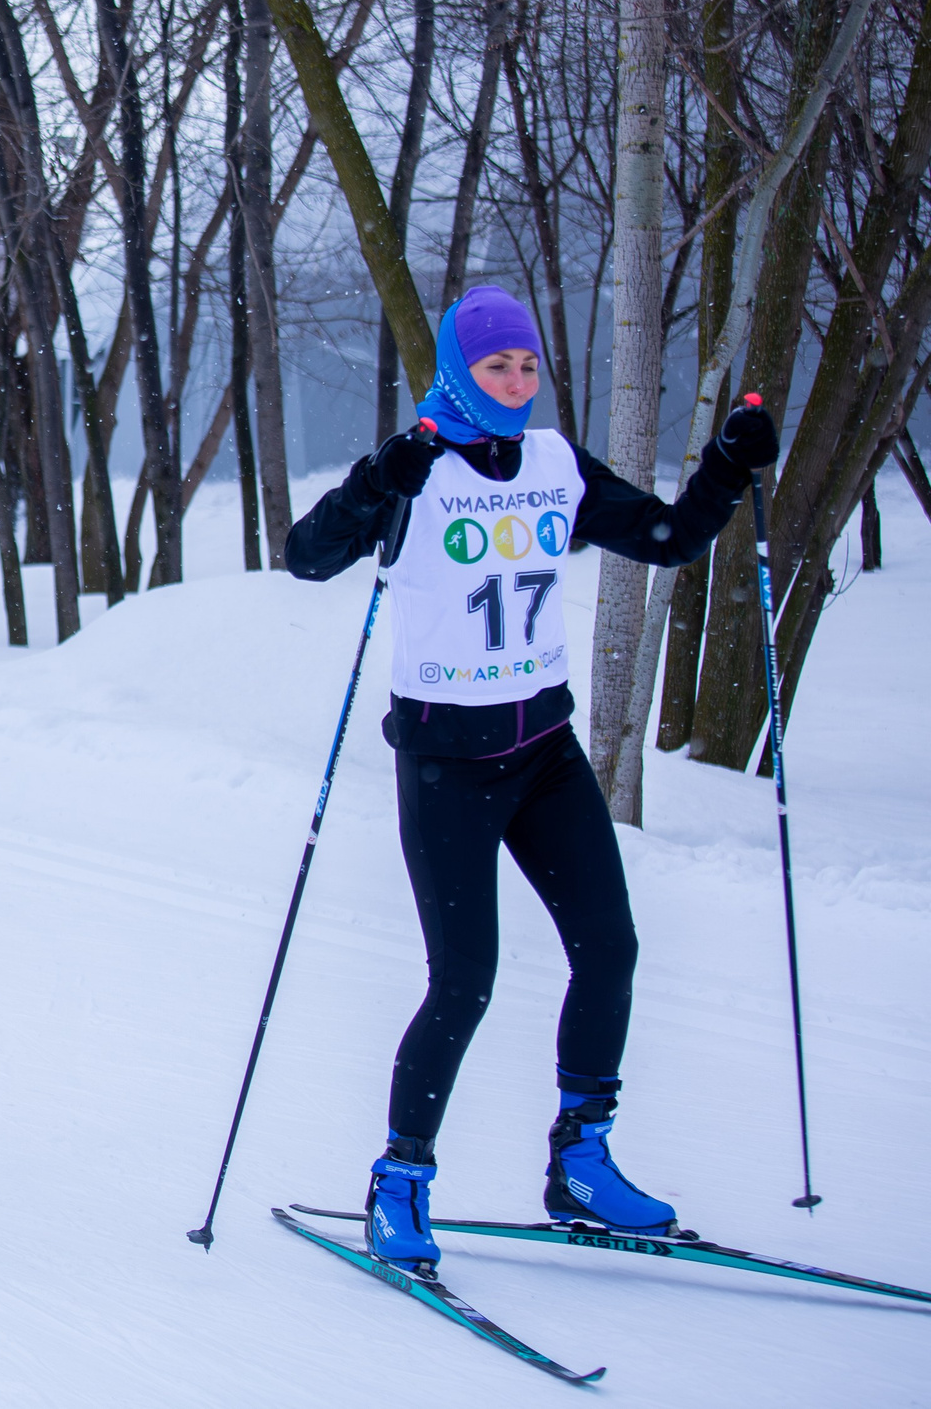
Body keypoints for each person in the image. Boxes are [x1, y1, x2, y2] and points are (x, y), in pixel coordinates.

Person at [285, 287, 779, 1276]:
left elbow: (666, 539)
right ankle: (398, 1181)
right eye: (494, 367)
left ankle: (581, 1161)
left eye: (525, 367)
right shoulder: (415, 464)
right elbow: (308, 556)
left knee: (611, 949)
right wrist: (374, 484)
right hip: (446, 762)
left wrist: (727, 467)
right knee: (464, 980)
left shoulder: (552, 465)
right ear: (459, 372)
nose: (513, 382)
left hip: (542, 753)